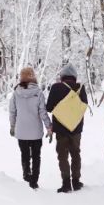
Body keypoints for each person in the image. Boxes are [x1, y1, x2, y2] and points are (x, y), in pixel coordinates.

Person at [45, 64, 88, 193]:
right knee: (76, 154)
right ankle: (76, 182)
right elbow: (84, 106)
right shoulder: (80, 88)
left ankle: (66, 184)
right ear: (75, 76)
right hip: (76, 128)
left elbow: (49, 108)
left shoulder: (56, 87)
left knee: (62, 155)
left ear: (62, 76)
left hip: (61, 128)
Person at [9, 66, 51, 189]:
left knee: (25, 154)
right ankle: (34, 180)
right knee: (36, 156)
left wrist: (12, 126)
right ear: (33, 77)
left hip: (21, 131)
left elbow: (12, 112)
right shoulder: (38, 93)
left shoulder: (16, 93)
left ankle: (26, 175)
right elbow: (43, 112)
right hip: (36, 132)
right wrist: (48, 126)